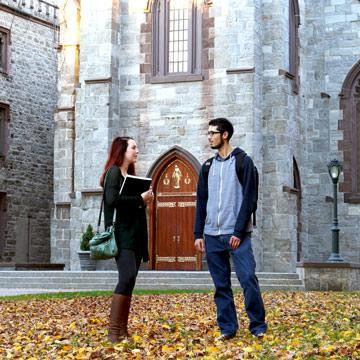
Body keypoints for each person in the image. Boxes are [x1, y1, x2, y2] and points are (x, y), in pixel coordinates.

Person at [194, 118, 267, 340]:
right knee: (221, 286)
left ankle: (258, 325)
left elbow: (249, 200)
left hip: (237, 236)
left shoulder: (244, 162)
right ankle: (227, 328)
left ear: (225, 135)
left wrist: (238, 232)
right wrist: (198, 233)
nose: (209, 137)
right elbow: (201, 201)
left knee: (247, 279)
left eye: (212, 133)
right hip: (212, 236)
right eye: (208, 133)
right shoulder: (207, 167)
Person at [99, 136, 154, 343]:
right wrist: (141, 198)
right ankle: (114, 332)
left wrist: (145, 200)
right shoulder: (113, 172)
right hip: (122, 234)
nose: (137, 150)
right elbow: (112, 200)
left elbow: (131, 205)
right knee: (126, 277)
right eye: (133, 147)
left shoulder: (129, 175)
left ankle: (122, 330)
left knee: (130, 281)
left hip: (136, 234)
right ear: (122, 150)